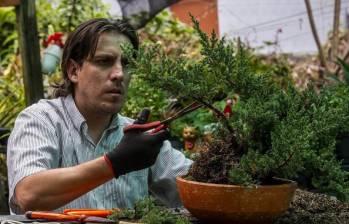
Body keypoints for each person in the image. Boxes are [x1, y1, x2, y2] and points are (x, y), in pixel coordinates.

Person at [6, 18, 192, 214]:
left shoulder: (137, 139)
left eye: (126, 63)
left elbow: (197, 184)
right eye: (104, 61)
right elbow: (28, 195)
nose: (119, 74)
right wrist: (116, 163)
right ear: (73, 70)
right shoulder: (41, 120)